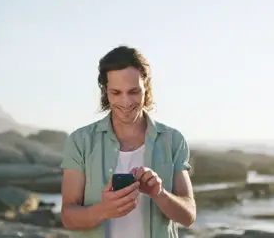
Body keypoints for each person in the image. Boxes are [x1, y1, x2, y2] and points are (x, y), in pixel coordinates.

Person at [60, 45, 196, 238]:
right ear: (105, 91)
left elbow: (188, 215)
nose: (126, 102)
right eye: (116, 93)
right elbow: (68, 217)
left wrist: (160, 193)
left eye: (133, 92)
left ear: (146, 87)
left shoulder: (172, 140)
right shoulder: (80, 141)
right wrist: (103, 210)